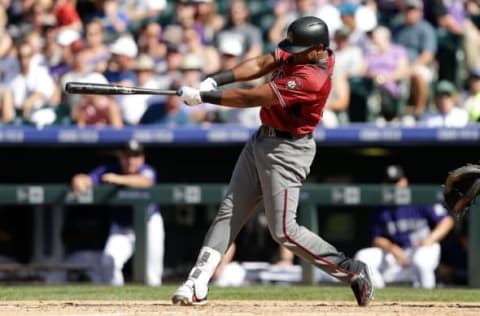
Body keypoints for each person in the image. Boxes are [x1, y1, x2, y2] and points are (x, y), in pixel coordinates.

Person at [172, 16, 374, 307]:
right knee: (228, 212)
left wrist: (207, 98)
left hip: (287, 151)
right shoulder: (303, 50)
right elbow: (260, 64)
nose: (291, 53)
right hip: (260, 141)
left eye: (300, 49)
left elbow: (255, 96)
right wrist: (217, 79)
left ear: (319, 49)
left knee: (284, 231)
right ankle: (197, 282)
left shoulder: (312, 78)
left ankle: (350, 270)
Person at [71, 140, 165, 286]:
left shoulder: (147, 170)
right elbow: (86, 179)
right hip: (123, 227)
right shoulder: (110, 168)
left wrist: (118, 179)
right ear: (121, 157)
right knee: (109, 260)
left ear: (142, 158)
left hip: (149, 224)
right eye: (127, 156)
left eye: (135, 156)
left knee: (152, 275)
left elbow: (146, 181)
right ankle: (117, 300)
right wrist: (78, 180)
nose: (131, 160)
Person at [354, 165, 455, 289]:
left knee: (421, 260)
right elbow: (376, 238)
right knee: (363, 257)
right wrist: (392, 248)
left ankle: (428, 295)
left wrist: (431, 238)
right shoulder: (381, 207)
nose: (394, 187)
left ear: (404, 182)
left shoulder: (418, 198)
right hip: (397, 253)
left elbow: (447, 221)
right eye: (390, 183)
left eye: (396, 182)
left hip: (421, 248)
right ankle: (378, 295)